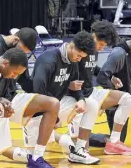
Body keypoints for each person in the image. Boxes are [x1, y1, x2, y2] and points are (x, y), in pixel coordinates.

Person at [0, 27, 60, 168]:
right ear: (15, 39)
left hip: (9, 98)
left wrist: (41, 101)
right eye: (21, 50)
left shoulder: (18, 57)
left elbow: (25, 82)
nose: (22, 54)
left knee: (51, 104)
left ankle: (36, 158)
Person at [23, 31, 102, 165]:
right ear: (71, 45)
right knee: (27, 157)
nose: (79, 59)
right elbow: (38, 91)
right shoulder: (48, 60)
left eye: (82, 57)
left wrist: (81, 99)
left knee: (91, 104)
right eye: (78, 55)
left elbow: (76, 86)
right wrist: (55, 118)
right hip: (37, 111)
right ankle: (38, 154)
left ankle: (78, 150)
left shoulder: (73, 61)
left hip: (57, 106)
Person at [67, 21, 131, 154]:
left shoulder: (94, 50)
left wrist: (111, 78)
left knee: (127, 99)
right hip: (77, 97)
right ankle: (63, 139)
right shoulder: (79, 47)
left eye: (104, 46)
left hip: (91, 93)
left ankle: (114, 142)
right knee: (82, 150)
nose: (101, 48)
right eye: (100, 45)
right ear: (94, 35)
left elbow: (91, 68)